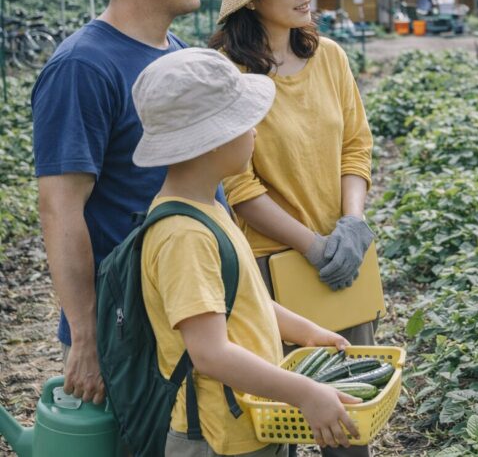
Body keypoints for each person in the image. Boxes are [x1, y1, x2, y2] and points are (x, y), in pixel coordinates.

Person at [32, 0, 216, 405]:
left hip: (181, 307)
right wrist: (87, 337)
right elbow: (60, 208)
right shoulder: (82, 67)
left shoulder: (173, 50)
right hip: (127, 327)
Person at [132, 48, 361, 456]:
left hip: (249, 422)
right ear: (211, 141)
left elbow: (241, 300)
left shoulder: (210, 210)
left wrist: (306, 332)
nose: (256, 131)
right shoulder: (184, 236)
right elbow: (210, 354)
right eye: (245, 122)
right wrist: (304, 392)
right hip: (217, 439)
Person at [208, 0, 375, 457]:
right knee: (278, 427)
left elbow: (356, 146)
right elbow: (239, 185)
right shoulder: (227, 74)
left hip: (343, 263)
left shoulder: (330, 57)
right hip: (269, 274)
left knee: (349, 421)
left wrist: (350, 224)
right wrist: (311, 244)